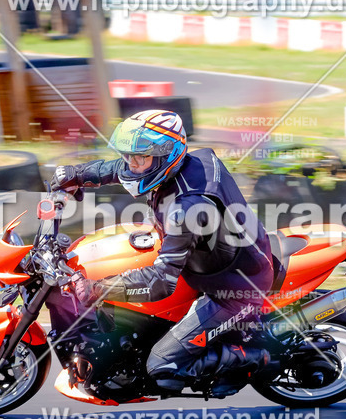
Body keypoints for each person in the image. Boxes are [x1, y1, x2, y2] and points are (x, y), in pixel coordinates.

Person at [51, 109, 278, 396]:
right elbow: (124, 169)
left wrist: (97, 288)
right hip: (213, 257)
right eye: (129, 156)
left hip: (233, 288)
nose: (132, 165)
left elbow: (160, 283)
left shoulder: (188, 209)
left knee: (160, 366)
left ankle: (258, 357)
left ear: (165, 156)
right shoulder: (185, 164)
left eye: (140, 158)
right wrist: (77, 175)